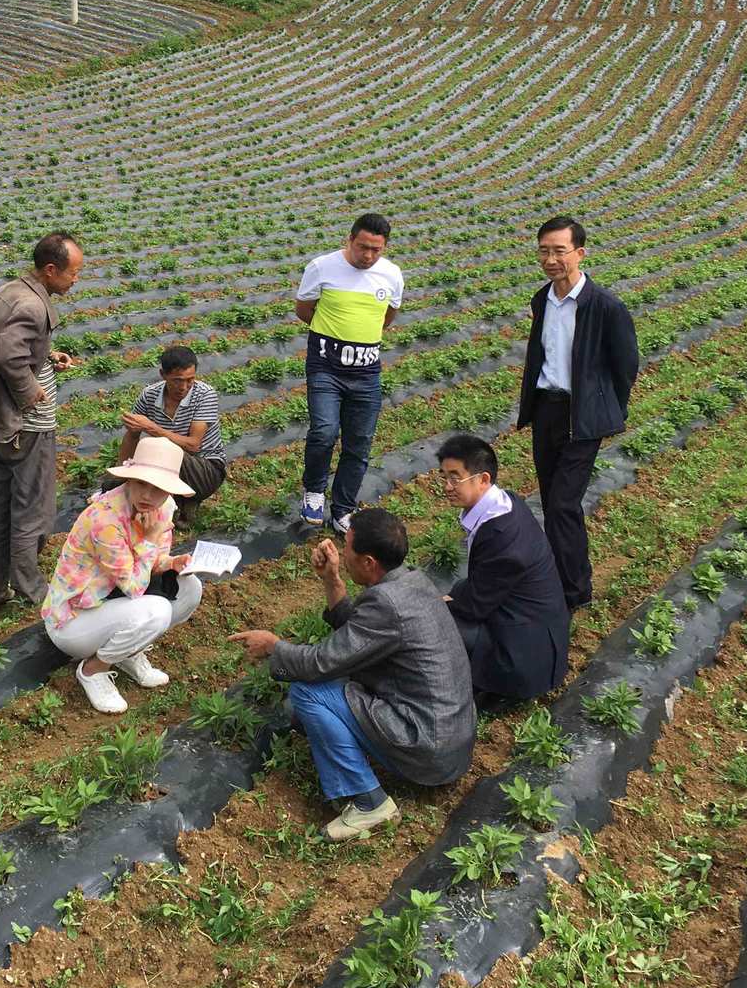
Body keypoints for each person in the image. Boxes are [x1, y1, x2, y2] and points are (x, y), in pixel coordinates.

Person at [230, 508, 475, 841]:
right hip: (451, 736)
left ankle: (368, 801)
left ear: (369, 562)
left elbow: (320, 662)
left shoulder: (387, 604)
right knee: (325, 692)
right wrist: (332, 579)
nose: (341, 553)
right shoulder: (411, 581)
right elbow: (359, 638)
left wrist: (274, 646)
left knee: (307, 691)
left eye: (347, 548)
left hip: (426, 745)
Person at [516, 216, 639, 611]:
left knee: (564, 504)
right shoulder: (542, 300)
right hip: (547, 409)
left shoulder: (604, 306)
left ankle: (574, 590)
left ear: (579, 254)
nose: (551, 259)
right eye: (544, 250)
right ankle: (560, 576)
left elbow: (625, 365)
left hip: (582, 417)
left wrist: (606, 410)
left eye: (559, 251)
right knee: (552, 500)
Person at [0, 232, 83, 614]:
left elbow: (17, 348)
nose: (76, 279)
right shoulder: (32, 306)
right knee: (32, 508)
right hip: (27, 426)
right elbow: (8, 355)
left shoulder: (11, 292)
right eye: (73, 273)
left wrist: (47, 357)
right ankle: (33, 590)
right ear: (51, 270)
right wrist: (32, 392)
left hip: (3, 422)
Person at [43, 437, 202, 714]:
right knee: (157, 610)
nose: (148, 496)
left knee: (191, 588)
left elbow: (153, 562)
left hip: (111, 601)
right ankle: (94, 670)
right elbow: (134, 587)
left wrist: (171, 562)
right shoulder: (105, 520)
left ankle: (128, 651)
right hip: (74, 620)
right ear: (129, 479)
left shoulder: (164, 508)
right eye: (141, 483)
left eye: (158, 489)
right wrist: (151, 539)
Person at [437, 434, 569, 704]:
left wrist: (441, 603)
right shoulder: (505, 503)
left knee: (433, 621)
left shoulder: (502, 536)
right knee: (450, 599)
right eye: (443, 476)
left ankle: (491, 686)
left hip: (524, 659)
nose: (447, 486)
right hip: (531, 627)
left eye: (455, 477)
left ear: (483, 479)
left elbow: (475, 605)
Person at [295, 213, 404, 535]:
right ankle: (314, 491)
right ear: (350, 240)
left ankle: (343, 509)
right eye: (362, 247)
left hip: (367, 372)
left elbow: (389, 315)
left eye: (376, 250)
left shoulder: (392, 275)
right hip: (326, 367)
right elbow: (304, 309)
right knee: (324, 431)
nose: (368, 256)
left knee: (359, 442)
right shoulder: (321, 267)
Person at [113, 345, 227, 522]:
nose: (184, 387)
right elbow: (132, 436)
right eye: (177, 380)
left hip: (205, 469)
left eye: (190, 380)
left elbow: (194, 444)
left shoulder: (205, 395)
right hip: (169, 464)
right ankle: (173, 503)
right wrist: (121, 476)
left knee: (161, 449)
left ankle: (180, 502)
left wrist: (152, 428)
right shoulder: (149, 395)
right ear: (163, 374)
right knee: (137, 464)